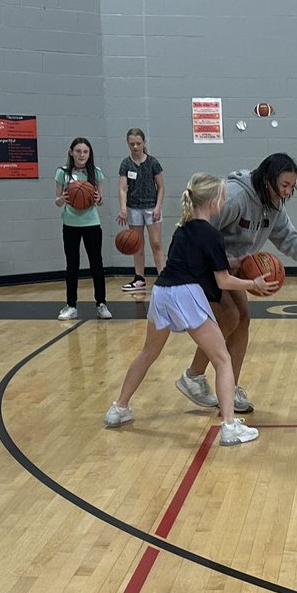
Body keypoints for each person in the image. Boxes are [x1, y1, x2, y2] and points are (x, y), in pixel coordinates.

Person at [104, 173, 272, 446]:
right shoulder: (213, 234)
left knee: (148, 353)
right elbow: (223, 280)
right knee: (222, 360)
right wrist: (253, 283)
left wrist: (236, 260)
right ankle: (229, 427)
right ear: (216, 201)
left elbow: (201, 261)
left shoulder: (183, 228)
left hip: (161, 292)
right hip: (185, 294)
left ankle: (118, 409)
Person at [177, 153, 297, 412]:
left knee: (243, 319)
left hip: (233, 268)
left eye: (292, 187)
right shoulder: (234, 196)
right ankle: (193, 376)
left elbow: (288, 237)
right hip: (202, 266)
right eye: (284, 185)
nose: (287, 192)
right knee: (229, 316)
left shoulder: (274, 206)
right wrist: (226, 260)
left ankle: (229, 388)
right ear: (267, 180)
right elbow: (196, 230)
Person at [54, 137, 111, 321]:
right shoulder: (62, 173)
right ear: (71, 152)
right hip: (70, 224)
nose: (82, 155)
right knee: (72, 265)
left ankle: (101, 304)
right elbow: (56, 202)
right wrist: (63, 198)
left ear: (89, 154)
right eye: (78, 151)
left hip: (91, 224)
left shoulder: (96, 173)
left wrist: (97, 199)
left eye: (85, 152)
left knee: (96, 264)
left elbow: (101, 202)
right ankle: (71, 305)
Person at [115, 128, 165, 292]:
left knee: (156, 243)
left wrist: (158, 207)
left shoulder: (153, 162)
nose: (135, 147)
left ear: (144, 143)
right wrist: (123, 208)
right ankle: (139, 278)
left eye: (138, 143)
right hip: (133, 208)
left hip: (151, 207)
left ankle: (163, 276)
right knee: (136, 244)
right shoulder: (125, 163)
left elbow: (161, 186)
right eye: (132, 144)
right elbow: (122, 188)